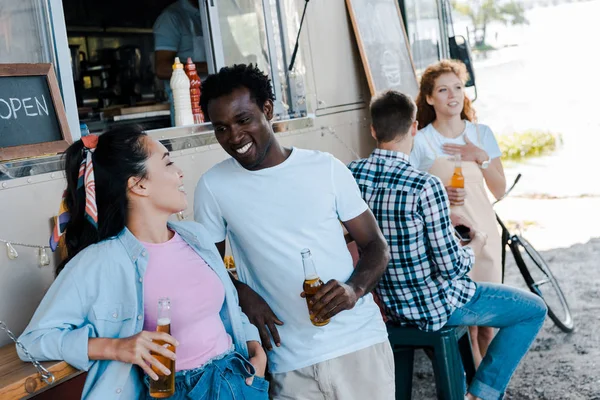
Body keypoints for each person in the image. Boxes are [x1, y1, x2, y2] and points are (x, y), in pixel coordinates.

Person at [17, 127, 268, 400]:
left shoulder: (197, 237)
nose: (179, 172)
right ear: (139, 184)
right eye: (168, 163)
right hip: (174, 392)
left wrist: (255, 350)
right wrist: (115, 348)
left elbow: (227, 306)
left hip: (238, 380)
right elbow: (33, 341)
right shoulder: (99, 261)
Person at [194, 64, 395, 399]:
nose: (234, 137)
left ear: (267, 110)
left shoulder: (325, 168)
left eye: (243, 120)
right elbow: (206, 266)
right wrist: (243, 293)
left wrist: (353, 290)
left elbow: (376, 245)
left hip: (358, 344)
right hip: (287, 358)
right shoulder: (213, 186)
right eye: (221, 128)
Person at [348, 90, 547, 400]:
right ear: (414, 128)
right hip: (433, 306)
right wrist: (476, 244)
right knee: (533, 309)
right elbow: (451, 267)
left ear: (373, 130)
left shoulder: (354, 174)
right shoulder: (424, 185)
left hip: (388, 305)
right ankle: (480, 394)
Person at [410, 59, 507, 367]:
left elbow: (500, 189)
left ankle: (482, 385)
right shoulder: (421, 141)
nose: (453, 95)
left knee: (488, 322)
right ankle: (473, 381)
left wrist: (479, 157)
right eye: (442, 89)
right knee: (463, 323)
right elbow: (411, 194)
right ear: (429, 98)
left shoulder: (482, 134)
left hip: (486, 234)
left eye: (458, 88)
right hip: (445, 242)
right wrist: (440, 191)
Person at [154, 0, 209, 126]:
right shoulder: (171, 18)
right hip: (187, 107)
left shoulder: (210, 13)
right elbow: (162, 68)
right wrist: (207, 66)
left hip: (214, 101)